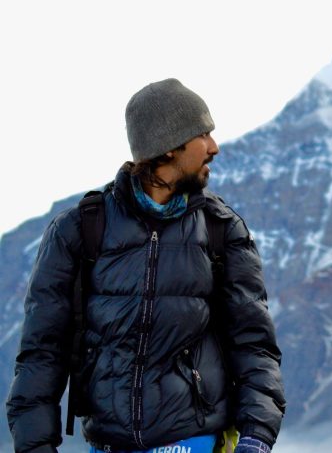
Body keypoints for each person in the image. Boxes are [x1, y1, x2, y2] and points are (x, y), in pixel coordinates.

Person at [6, 79, 285, 453]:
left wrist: (256, 437)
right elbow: (42, 352)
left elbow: (254, 346)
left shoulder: (221, 230)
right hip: (108, 444)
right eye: (202, 133)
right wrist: (35, 446)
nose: (214, 147)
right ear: (168, 147)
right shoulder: (80, 229)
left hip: (195, 442)